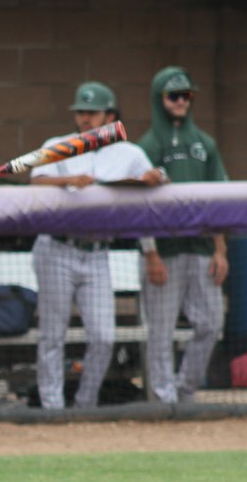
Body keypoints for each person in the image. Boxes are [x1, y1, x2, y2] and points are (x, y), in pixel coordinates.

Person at [29, 81, 166, 410]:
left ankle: (85, 403)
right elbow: (35, 178)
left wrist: (154, 176)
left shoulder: (128, 153)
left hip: (97, 252)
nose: (85, 119)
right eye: (81, 113)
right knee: (53, 334)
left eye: (92, 113)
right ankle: (52, 408)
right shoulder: (58, 144)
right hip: (56, 248)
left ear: (110, 116)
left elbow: (156, 177)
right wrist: (69, 181)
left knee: (104, 335)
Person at [137, 67, 229, 404]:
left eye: (185, 95)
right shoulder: (147, 145)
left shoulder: (205, 144)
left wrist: (220, 250)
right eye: (173, 96)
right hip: (164, 253)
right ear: (159, 99)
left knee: (210, 323)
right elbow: (139, 206)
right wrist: (150, 254)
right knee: (161, 332)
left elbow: (219, 200)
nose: (180, 102)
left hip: (202, 249)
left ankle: (185, 390)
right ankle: (164, 400)